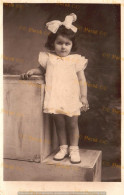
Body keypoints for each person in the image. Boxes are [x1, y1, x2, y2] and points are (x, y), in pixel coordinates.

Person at [21, 13, 89, 164]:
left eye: (67, 44)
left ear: (72, 45)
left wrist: (83, 97)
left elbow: (82, 79)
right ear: (53, 43)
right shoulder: (48, 58)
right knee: (59, 123)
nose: (63, 46)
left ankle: (74, 149)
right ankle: (63, 148)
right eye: (59, 43)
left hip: (71, 96)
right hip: (55, 96)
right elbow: (41, 70)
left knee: (72, 123)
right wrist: (33, 71)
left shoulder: (76, 60)